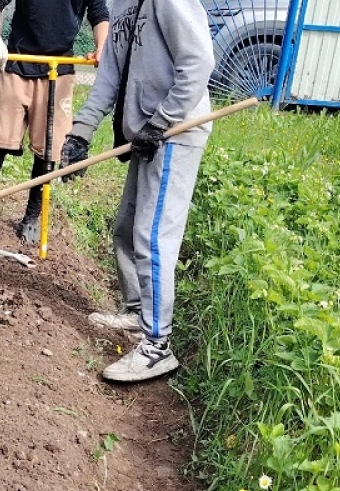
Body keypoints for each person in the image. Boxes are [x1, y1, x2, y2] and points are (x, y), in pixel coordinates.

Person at [58, 0, 215, 383]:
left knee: (152, 237)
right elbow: (109, 77)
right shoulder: (121, 5)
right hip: (146, 135)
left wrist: (161, 122)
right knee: (127, 229)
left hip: (175, 134)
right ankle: (137, 310)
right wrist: (81, 131)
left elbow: (198, 63)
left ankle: (157, 345)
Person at [0, 0, 109, 244]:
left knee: (48, 150)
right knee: (0, 140)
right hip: (17, 64)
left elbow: (99, 13)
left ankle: (32, 216)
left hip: (59, 69)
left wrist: (102, 47)